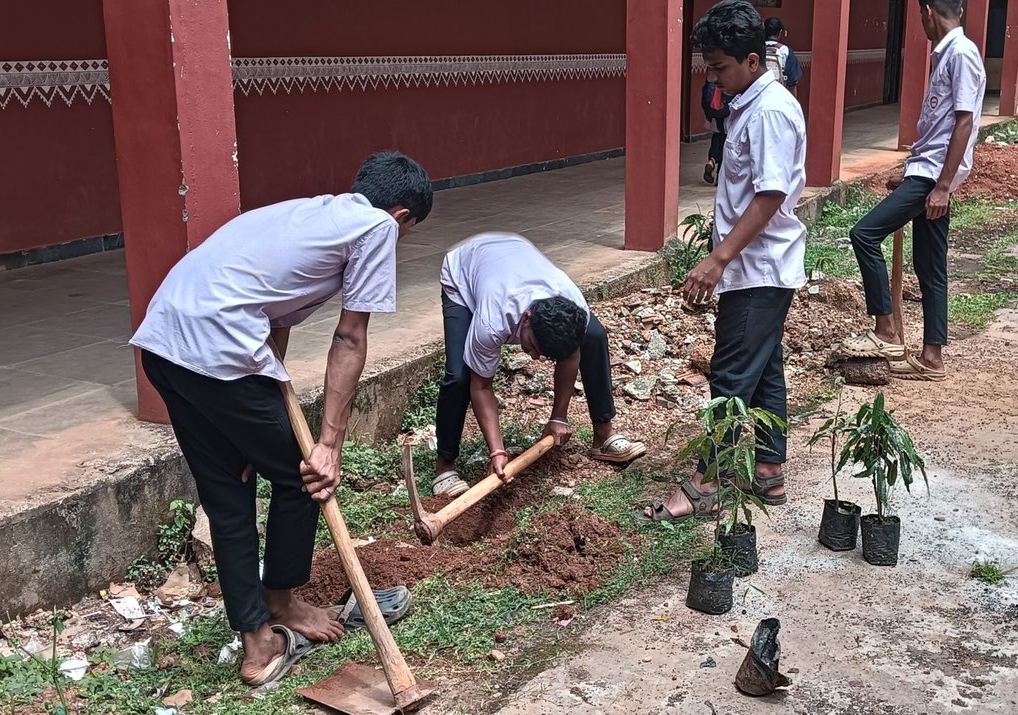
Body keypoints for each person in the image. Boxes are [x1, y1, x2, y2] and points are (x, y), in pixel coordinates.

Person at [129, 152, 433, 685]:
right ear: (402, 215)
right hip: (217, 352)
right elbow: (350, 337)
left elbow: (274, 315)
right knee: (303, 476)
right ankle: (283, 606)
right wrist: (329, 445)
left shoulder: (309, 213)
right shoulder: (376, 228)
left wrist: (252, 428)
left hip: (164, 346)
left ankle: (257, 645)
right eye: (407, 231)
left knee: (229, 491)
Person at [642, 0, 806, 522]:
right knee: (765, 368)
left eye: (719, 67)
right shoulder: (749, 104)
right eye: (708, 66)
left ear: (753, 61)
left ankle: (704, 484)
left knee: (731, 376)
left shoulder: (770, 111)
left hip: (758, 268)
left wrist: (718, 258)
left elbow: (770, 195)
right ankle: (769, 471)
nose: (712, 77)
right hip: (753, 267)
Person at [431, 233, 646, 497]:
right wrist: (497, 451)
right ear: (527, 317)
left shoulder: (574, 304)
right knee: (460, 375)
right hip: (464, 270)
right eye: (534, 346)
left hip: (515, 251)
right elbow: (481, 386)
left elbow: (571, 354)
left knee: (594, 335)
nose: (534, 357)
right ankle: (445, 466)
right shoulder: (492, 321)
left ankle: (603, 434)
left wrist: (558, 418)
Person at [837, 0, 985, 381]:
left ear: (927, 11)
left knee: (864, 234)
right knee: (930, 265)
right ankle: (932, 357)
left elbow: (964, 123)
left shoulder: (960, 54)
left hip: (933, 178)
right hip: (927, 173)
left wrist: (942, 186)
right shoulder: (949, 53)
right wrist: (911, 172)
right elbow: (940, 127)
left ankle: (885, 331)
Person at [702, 80, 734, 185]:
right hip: (727, 115)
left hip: (714, 114)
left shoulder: (711, 81)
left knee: (716, 137)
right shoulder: (730, 79)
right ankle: (719, 176)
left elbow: (704, 100)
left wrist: (709, 115)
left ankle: (711, 161)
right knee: (724, 144)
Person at [763, 17, 803, 95]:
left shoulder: (756, 49)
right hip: (779, 96)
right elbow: (793, 82)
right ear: (779, 33)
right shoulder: (785, 51)